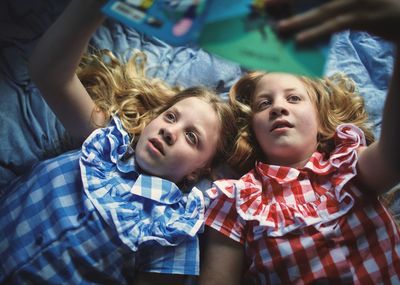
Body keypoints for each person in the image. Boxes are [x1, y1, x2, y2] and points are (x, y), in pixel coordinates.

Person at [0, 0, 237, 284]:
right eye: (171, 117)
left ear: (197, 171)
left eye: (191, 136)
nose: (169, 132)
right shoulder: (102, 144)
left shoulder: (173, 233)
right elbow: (48, 72)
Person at [199, 0, 400, 284]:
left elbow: (395, 156)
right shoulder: (236, 200)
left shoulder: (347, 167)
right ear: (254, 130)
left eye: (293, 98)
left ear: (320, 120)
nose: (278, 108)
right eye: (264, 103)